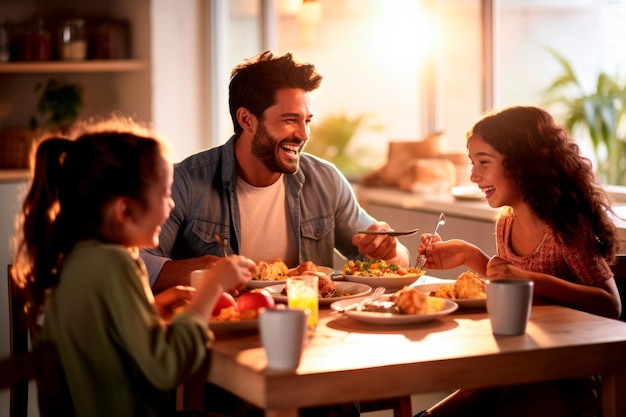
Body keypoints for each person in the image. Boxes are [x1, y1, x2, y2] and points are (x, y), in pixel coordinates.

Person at [11, 117, 256, 417]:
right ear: (125, 210)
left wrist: (150, 308)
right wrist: (211, 288)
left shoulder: (79, 259)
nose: (171, 206)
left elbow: (104, 338)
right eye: (164, 195)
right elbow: (166, 366)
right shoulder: (116, 263)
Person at [140, 50, 410, 293]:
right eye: (290, 120)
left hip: (309, 326)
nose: (303, 134)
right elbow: (132, 261)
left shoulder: (325, 180)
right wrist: (192, 273)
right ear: (247, 120)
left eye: (307, 121)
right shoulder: (185, 182)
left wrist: (390, 251)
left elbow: (389, 262)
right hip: (218, 327)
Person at [414, 106, 622, 416]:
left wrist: (529, 279)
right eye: (473, 163)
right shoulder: (506, 223)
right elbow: (513, 286)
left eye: (484, 162)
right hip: (517, 368)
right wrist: (471, 257)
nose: (473, 175)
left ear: (524, 164)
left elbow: (610, 304)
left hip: (564, 377)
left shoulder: (565, 224)